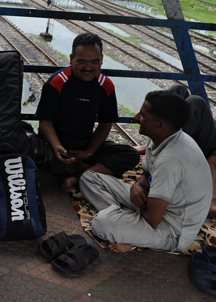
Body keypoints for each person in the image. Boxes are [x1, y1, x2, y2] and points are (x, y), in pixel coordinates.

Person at [80, 90, 212, 253]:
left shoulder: (170, 161)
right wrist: (137, 186)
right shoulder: (161, 137)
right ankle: (123, 219)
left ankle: (126, 227)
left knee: (101, 224)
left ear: (160, 125)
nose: (136, 117)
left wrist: (133, 209)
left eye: (143, 115)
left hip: (170, 229)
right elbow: (146, 174)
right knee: (89, 177)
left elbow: (153, 219)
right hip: (152, 205)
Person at [35, 32, 139, 193]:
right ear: (71, 59)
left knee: (130, 154)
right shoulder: (57, 82)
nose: (88, 67)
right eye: (82, 61)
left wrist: (89, 152)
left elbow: (105, 124)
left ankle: (79, 175)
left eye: (94, 62)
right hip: (55, 144)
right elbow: (45, 122)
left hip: (85, 146)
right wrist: (57, 147)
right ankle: (95, 171)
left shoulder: (106, 85)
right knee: (41, 157)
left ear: (102, 60)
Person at [134, 84, 216, 218]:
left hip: (208, 155)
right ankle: (159, 142)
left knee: (196, 103)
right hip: (198, 149)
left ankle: (164, 144)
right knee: (177, 90)